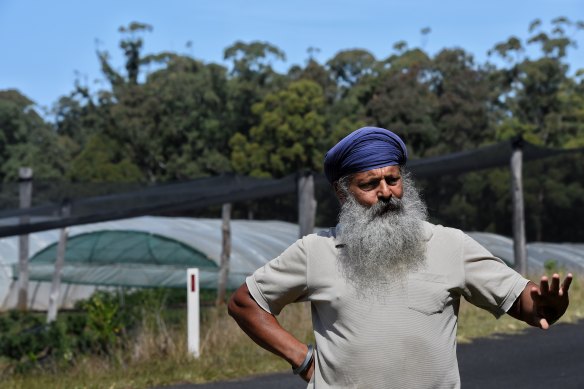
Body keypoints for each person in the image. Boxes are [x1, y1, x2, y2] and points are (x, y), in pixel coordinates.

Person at [228, 127, 572, 388]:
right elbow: (246, 303)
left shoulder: (449, 244)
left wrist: (548, 305)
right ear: (342, 192)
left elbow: (524, 303)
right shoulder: (315, 251)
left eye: (393, 180)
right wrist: (302, 359)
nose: (386, 193)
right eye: (369, 184)